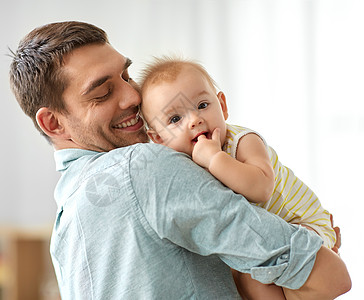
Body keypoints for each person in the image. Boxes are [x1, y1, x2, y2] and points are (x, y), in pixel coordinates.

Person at [9, 21, 351, 299]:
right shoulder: (144, 166)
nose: (133, 96)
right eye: (103, 93)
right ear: (53, 122)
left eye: (127, 77)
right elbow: (331, 278)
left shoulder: (65, 224)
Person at [139, 56, 346, 299]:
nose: (195, 120)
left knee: (254, 272)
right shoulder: (179, 166)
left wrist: (215, 158)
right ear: (158, 139)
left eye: (202, 105)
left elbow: (261, 189)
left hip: (303, 226)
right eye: (175, 119)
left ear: (223, 105)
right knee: (244, 276)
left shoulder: (243, 141)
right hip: (268, 238)